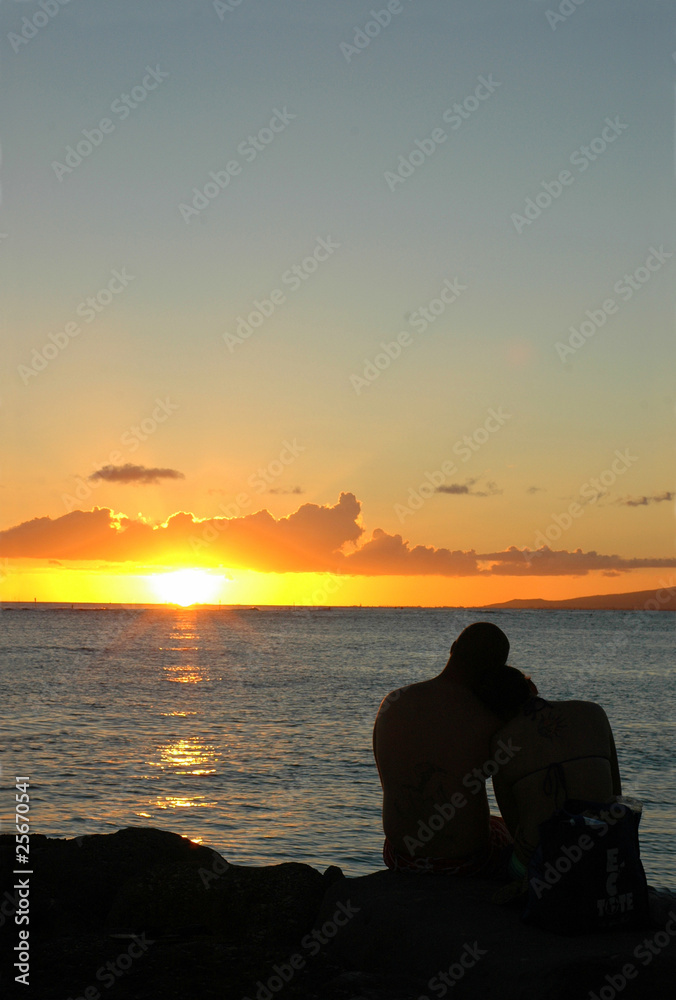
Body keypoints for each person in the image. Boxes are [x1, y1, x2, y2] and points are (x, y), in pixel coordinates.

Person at [372, 622, 515, 877]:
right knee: (509, 831)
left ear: (453, 648)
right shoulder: (490, 719)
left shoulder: (393, 703)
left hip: (401, 855)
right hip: (465, 860)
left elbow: (390, 784)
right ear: (496, 669)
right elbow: (512, 800)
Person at [472, 663, 622, 884]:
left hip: (541, 870)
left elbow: (515, 826)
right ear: (531, 686)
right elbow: (615, 795)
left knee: (498, 844)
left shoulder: (501, 743)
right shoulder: (594, 712)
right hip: (605, 858)